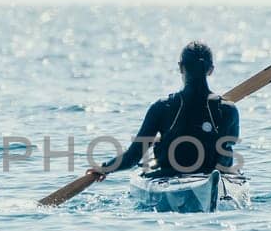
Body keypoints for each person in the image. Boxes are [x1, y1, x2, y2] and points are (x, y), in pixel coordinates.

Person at [89, 41, 239, 181]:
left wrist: (104, 168)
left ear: (181, 67)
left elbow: (133, 157)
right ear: (211, 70)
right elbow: (225, 148)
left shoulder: (161, 107)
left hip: (170, 175)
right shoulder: (228, 109)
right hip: (212, 176)